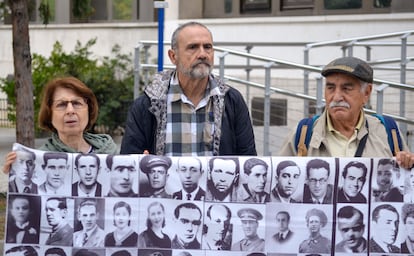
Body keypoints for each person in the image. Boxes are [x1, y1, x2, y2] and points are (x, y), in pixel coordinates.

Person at [120, 21, 256, 156]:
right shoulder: (148, 104)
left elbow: (248, 162)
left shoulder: (232, 101)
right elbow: (128, 165)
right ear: (173, 57)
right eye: (193, 47)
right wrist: (143, 166)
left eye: (207, 47)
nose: (202, 54)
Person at [278, 56, 414, 169]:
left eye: (346, 88)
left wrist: (408, 163)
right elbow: (276, 179)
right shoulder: (304, 133)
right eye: (330, 88)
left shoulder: (388, 132)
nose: (337, 97)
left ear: (366, 93)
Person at [2, 76, 117, 173]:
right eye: (62, 104)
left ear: (88, 109)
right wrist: (16, 175)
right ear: (49, 113)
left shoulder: (111, 152)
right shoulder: (38, 161)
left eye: (77, 103)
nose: (70, 110)